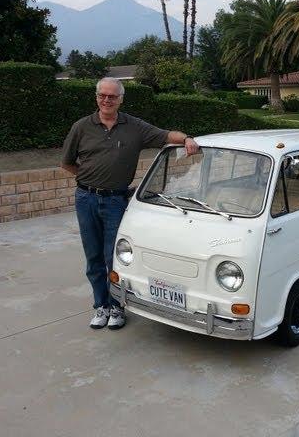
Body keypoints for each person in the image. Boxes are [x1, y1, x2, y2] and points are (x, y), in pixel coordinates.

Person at [61, 77, 199, 330]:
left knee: (113, 256)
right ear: (96, 97)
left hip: (115, 201)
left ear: (120, 99)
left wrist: (187, 138)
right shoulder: (81, 127)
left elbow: (166, 135)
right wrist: (88, 179)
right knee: (92, 257)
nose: (106, 100)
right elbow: (68, 162)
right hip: (86, 199)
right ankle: (100, 306)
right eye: (102, 95)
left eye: (112, 96)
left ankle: (116, 307)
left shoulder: (134, 127)